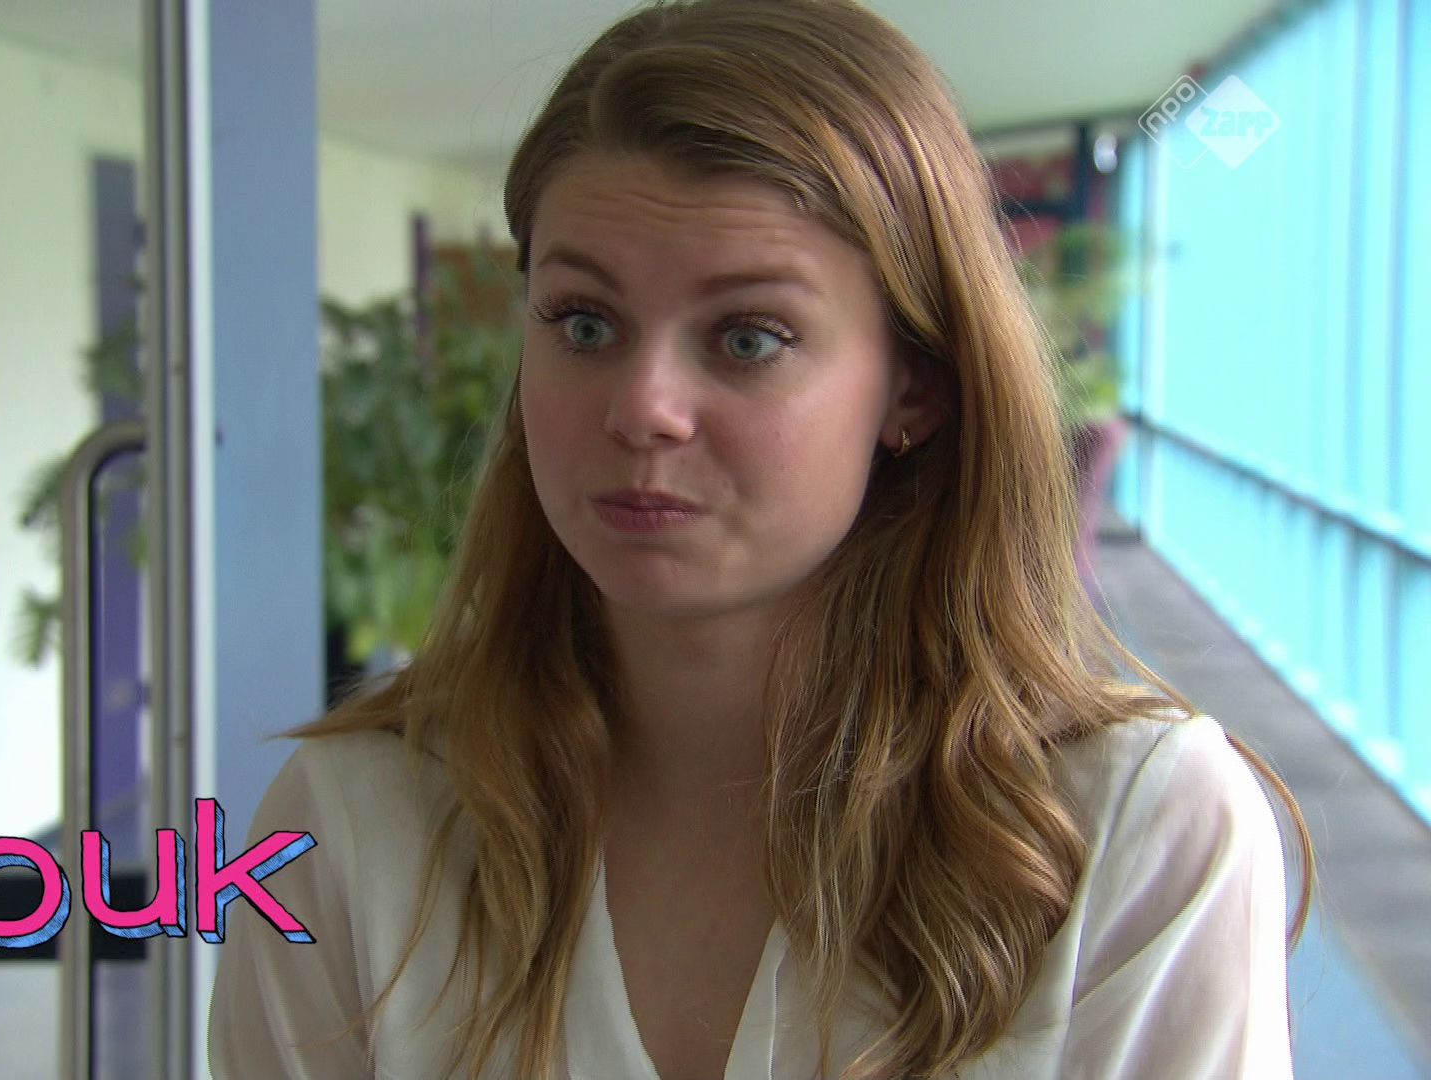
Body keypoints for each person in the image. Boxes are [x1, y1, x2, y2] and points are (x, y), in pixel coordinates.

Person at [209, 1, 1313, 1076]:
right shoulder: (349, 828)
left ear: (916, 386)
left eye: (748, 337)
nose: (643, 408)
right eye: (584, 323)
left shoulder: (1131, 832)